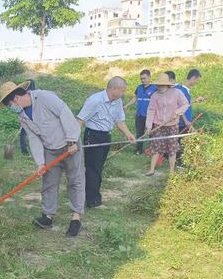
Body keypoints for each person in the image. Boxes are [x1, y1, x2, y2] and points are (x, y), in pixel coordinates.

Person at [0, 80, 85, 237]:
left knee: (75, 180)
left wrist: (72, 140)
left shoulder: (45, 98)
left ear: (15, 98)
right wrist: (40, 162)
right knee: (48, 183)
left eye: (9, 105)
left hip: (70, 145)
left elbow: (65, 114)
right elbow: (33, 137)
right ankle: (48, 216)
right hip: (50, 149)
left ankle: (76, 218)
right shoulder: (22, 115)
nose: (11, 109)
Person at [77, 77, 136, 208]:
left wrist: (128, 135)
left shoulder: (118, 101)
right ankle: (93, 200)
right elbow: (80, 120)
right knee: (93, 168)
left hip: (106, 136)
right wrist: (73, 141)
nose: (123, 94)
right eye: (122, 91)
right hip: (93, 136)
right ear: (113, 89)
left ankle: (90, 195)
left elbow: (119, 121)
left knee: (99, 167)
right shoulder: (95, 100)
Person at [144, 73, 189, 176]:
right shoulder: (155, 95)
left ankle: (172, 171)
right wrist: (149, 126)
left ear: (167, 85)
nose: (159, 87)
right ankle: (151, 170)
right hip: (158, 125)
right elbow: (151, 111)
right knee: (156, 146)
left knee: (172, 148)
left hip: (172, 125)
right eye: (158, 85)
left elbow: (185, 104)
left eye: (162, 85)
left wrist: (177, 112)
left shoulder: (176, 92)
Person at [124, 69, 156, 154]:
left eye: (144, 78)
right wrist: (127, 105)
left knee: (151, 133)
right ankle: (139, 150)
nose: (143, 80)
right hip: (140, 115)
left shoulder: (154, 88)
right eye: (141, 79)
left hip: (150, 115)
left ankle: (153, 150)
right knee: (139, 133)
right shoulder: (139, 87)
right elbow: (135, 98)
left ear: (149, 77)